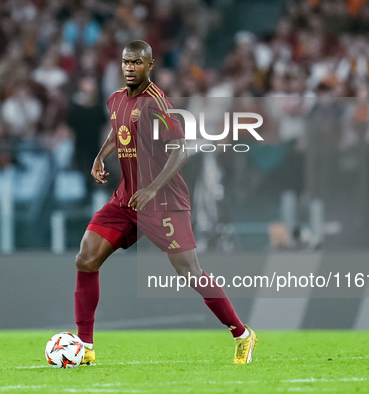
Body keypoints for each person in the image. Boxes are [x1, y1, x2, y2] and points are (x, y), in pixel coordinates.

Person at [74, 40, 257, 365]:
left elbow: (181, 150)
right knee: (87, 257)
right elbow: (120, 131)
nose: (130, 67)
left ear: (150, 65)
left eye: (136, 63)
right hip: (126, 199)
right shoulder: (116, 100)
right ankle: (84, 346)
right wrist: (100, 157)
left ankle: (242, 334)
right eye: (126, 62)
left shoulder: (159, 103)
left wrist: (153, 189)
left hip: (164, 202)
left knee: (191, 272)